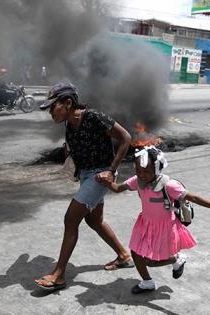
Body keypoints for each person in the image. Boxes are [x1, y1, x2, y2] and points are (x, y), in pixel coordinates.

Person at [34, 81, 133, 291]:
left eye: (54, 107)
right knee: (94, 220)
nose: (51, 112)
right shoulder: (69, 124)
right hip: (86, 176)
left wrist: (112, 171)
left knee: (71, 219)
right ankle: (124, 256)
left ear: (68, 103)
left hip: (100, 176)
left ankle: (59, 275)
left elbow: (126, 137)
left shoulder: (94, 117)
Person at [99, 146, 210, 293]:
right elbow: (118, 188)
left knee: (150, 262)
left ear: (158, 168)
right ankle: (147, 282)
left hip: (165, 227)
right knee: (136, 253)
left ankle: (176, 258)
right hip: (145, 223)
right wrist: (106, 181)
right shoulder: (137, 180)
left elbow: (194, 197)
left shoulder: (169, 185)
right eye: (138, 170)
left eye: (146, 171)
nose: (142, 175)